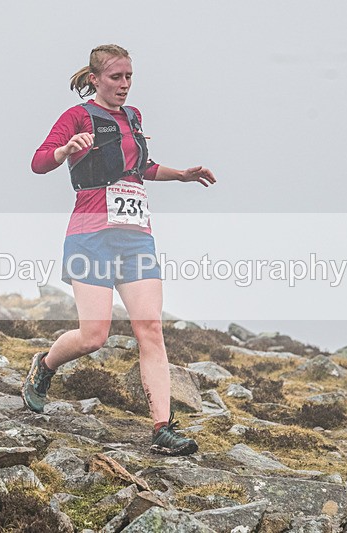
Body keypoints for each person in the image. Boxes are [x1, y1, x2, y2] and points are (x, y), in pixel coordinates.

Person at [22, 44, 216, 456]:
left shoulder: (133, 117)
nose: (125, 84)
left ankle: (162, 428)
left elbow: (139, 168)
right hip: (90, 235)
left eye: (129, 76)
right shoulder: (77, 116)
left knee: (151, 329)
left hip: (136, 238)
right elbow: (39, 162)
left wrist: (180, 175)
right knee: (94, 336)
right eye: (116, 77)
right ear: (95, 79)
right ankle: (45, 365)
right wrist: (65, 150)